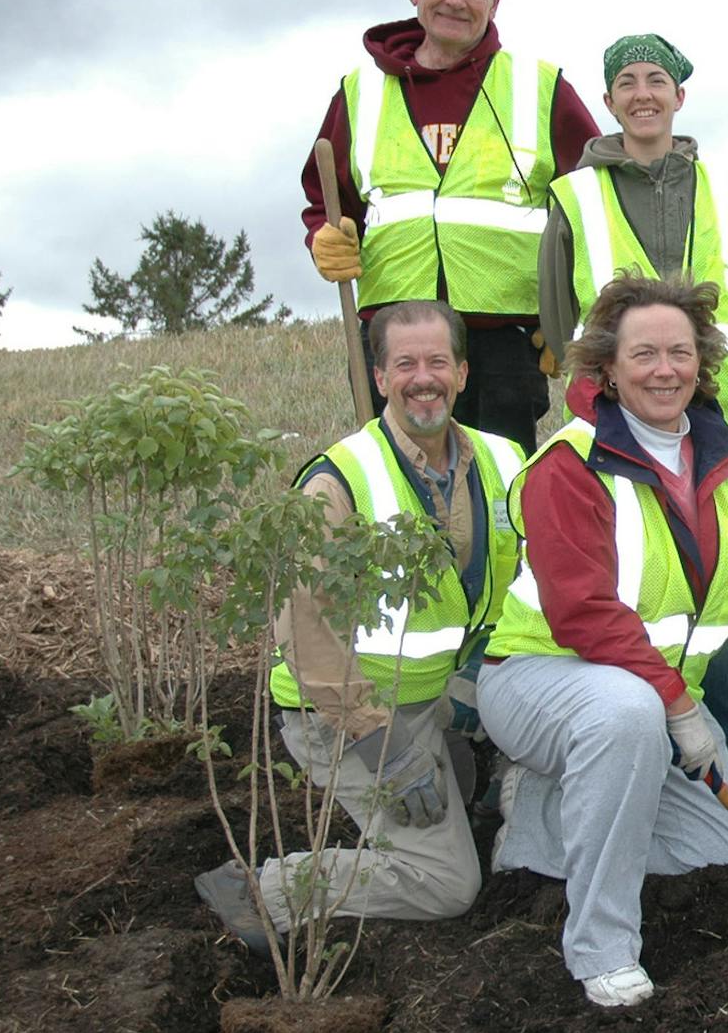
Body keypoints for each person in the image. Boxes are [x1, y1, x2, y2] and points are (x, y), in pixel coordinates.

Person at [476, 273, 728, 1008]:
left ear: (702, 360)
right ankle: (602, 947)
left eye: (681, 352)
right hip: (541, 682)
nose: (666, 369)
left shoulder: (725, 461)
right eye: (645, 354)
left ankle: (541, 820)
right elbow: (585, 610)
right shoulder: (571, 464)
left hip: (647, 699)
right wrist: (677, 708)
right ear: (607, 366)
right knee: (623, 713)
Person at [195, 300, 525, 949]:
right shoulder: (339, 479)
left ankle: (458, 770)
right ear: (380, 377)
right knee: (448, 882)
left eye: (437, 361)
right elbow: (308, 634)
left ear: (462, 372)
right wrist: (388, 750)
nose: (422, 377)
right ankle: (264, 891)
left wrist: (480, 672)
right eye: (405, 363)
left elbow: (532, 586)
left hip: (436, 695)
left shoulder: (506, 461)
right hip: (347, 715)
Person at [537, 32, 728, 782]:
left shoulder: (726, 192)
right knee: (631, 587)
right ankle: (639, 763)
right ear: (608, 100)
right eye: (627, 80)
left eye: (657, 79)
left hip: (717, 424)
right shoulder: (573, 196)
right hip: (615, 426)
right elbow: (556, 310)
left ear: (679, 96)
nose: (643, 92)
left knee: (721, 596)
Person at [300, 0, 600, 453]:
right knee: (397, 488)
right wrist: (324, 233)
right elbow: (327, 199)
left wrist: (572, 316)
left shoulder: (539, 87)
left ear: (496, 0)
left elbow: (596, 209)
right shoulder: (359, 92)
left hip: (505, 343)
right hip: (394, 335)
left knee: (501, 491)